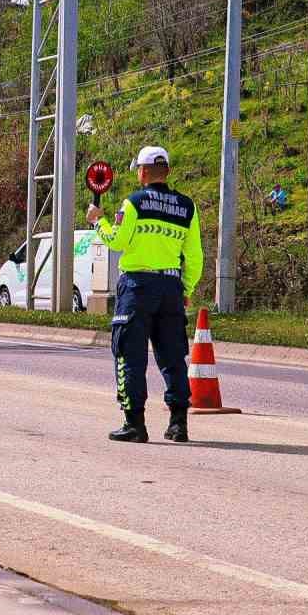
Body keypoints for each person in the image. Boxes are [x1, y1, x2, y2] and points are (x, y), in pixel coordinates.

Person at [86, 145, 204, 444]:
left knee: (129, 354)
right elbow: (196, 256)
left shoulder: (134, 203)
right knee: (174, 356)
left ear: (144, 171)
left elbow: (116, 240)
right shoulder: (187, 207)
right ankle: (179, 424)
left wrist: (98, 220)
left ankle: (134, 423)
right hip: (171, 287)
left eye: (138, 168)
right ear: (168, 171)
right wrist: (185, 288)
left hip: (137, 288)